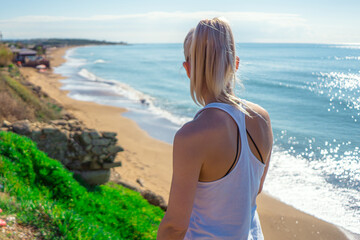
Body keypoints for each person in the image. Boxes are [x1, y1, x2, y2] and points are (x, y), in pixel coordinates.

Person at [157, 17, 273, 240]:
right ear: (235, 64)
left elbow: (175, 226)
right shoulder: (262, 117)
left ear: (189, 69)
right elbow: (253, 188)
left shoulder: (192, 135)